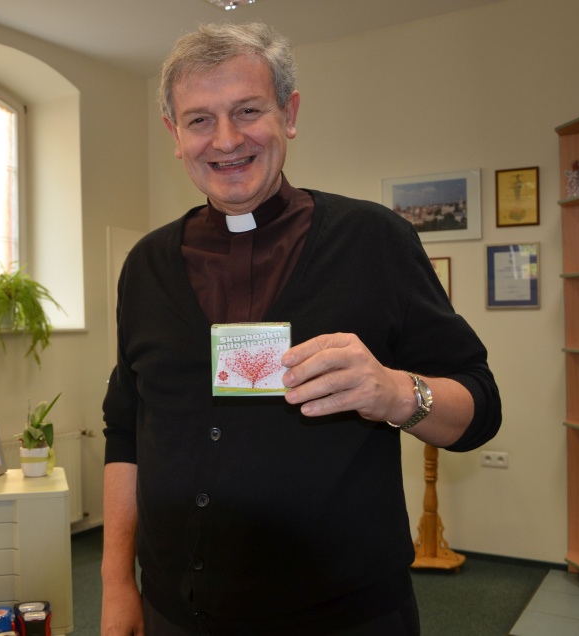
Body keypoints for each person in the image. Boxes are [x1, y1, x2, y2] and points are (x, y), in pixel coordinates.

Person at [101, 22, 501, 636]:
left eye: (248, 110)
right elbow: (125, 432)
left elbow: (480, 408)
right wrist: (117, 586)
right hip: (177, 613)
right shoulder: (147, 266)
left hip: (344, 615)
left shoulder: (374, 242)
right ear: (174, 136)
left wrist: (394, 393)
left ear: (289, 114)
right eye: (200, 119)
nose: (226, 139)